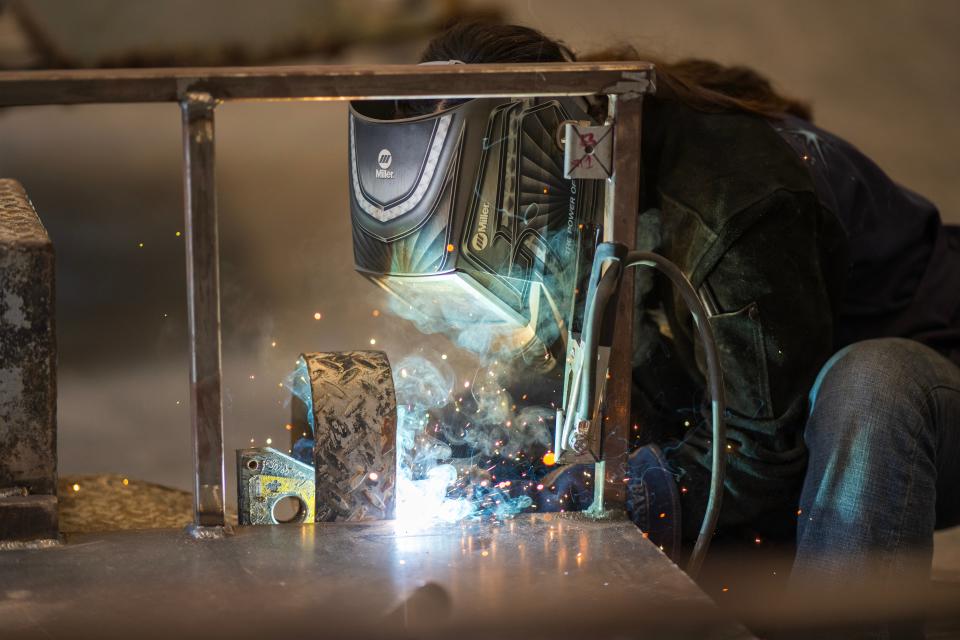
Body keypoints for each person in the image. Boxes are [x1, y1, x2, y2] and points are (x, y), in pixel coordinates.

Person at [409, 20, 960, 604]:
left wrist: (628, 495)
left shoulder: (732, 207)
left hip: (922, 413)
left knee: (872, 384)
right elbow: (558, 372)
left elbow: (759, 445)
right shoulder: (592, 173)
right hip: (792, 418)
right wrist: (452, 447)